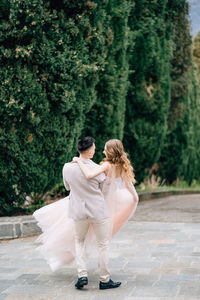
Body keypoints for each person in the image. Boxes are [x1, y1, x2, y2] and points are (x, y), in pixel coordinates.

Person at [33, 137, 123, 290]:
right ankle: (104, 279)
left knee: (79, 242)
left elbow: (67, 187)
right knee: (103, 245)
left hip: (78, 211)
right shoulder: (97, 168)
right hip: (98, 211)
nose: (95, 150)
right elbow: (105, 190)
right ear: (89, 151)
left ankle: (82, 275)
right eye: (94, 148)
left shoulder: (67, 167)